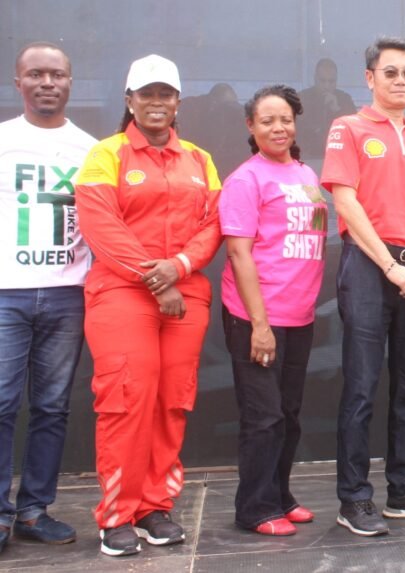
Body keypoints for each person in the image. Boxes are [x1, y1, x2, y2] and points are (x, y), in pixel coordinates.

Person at [76, 54, 222, 556]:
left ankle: (154, 508)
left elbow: (213, 226)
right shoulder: (106, 155)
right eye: (146, 94)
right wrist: (155, 279)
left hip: (185, 294)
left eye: (165, 94)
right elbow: (102, 228)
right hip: (122, 294)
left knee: (171, 402)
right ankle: (117, 514)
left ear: (178, 102)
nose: (156, 103)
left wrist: (178, 268)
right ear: (129, 100)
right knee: (125, 400)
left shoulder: (200, 159)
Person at [320, 36, 405, 537]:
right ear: (370, 78)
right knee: (360, 387)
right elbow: (345, 201)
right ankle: (354, 499)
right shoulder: (349, 129)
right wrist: (390, 265)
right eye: (391, 72)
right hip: (369, 268)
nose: (401, 81)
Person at [0, 41, 96, 553]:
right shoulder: (2, 140)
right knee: (0, 402)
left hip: (66, 295)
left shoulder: (89, 149)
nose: (46, 82)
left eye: (56, 74)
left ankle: (34, 510)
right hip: (5, 294)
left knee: (53, 407)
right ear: (18, 82)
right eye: (35, 74)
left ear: (69, 82)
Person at [220, 85, 326, 535]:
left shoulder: (305, 174)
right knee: (263, 417)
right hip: (256, 318)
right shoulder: (246, 179)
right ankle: (255, 508)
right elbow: (240, 255)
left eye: (284, 119)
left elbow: (315, 239)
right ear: (251, 127)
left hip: (299, 316)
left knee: (288, 413)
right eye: (267, 121)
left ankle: (280, 495)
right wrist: (258, 325)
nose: (278, 128)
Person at [298, 58, 357, 159]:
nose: (327, 86)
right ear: (315, 79)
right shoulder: (302, 99)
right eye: (323, 81)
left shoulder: (345, 100)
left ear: (336, 81)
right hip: (307, 159)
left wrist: (336, 110)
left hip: (339, 158)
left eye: (331, 81)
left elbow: (353, 132)